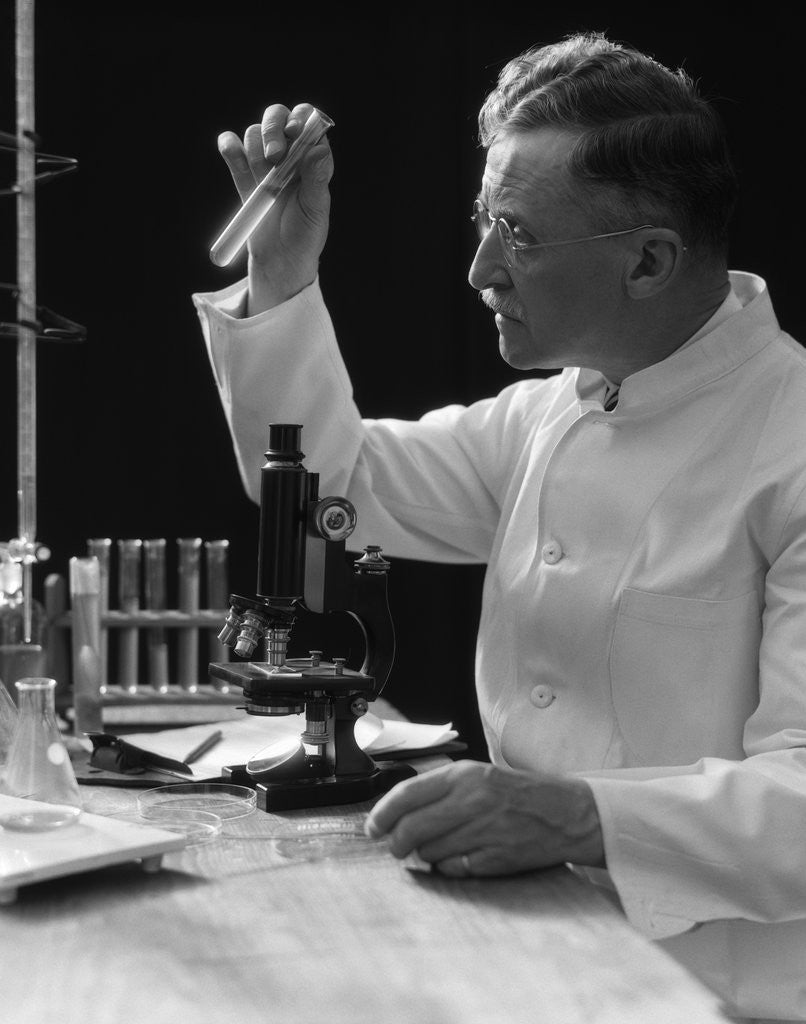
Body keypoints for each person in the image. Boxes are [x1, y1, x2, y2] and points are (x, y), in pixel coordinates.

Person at [193, 33, 806, 1022]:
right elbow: (323, 483)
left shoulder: (791, 440)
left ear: (648, 258)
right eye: (483, 222)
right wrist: (283, 267)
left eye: (515, 235)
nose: (479, 268)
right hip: (533, 948)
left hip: (719, 996)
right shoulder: (546, 417)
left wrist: (573, 812)